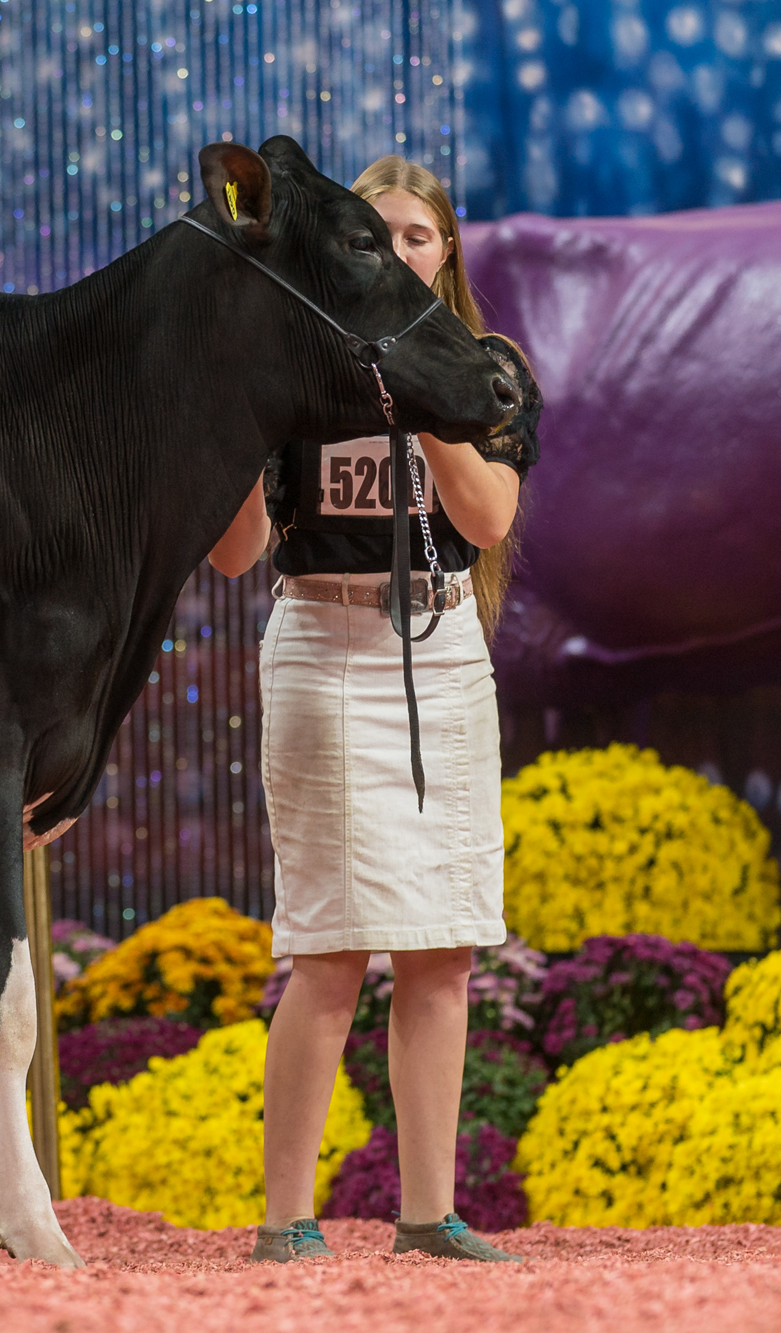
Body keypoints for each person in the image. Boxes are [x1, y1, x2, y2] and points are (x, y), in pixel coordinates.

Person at [205, 157, 542, 1263]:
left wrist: (421, 386)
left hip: (443, 647)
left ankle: (427, 1216)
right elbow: (235, 555)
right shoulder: (298, 367)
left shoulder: (487, 366)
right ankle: (285, 1220)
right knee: (331, 947)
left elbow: (486, 521)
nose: (399, 251)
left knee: (444, 947)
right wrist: (245, 412)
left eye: (417, 236)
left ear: (445, 253)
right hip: (324, 639)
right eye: (377, 235)